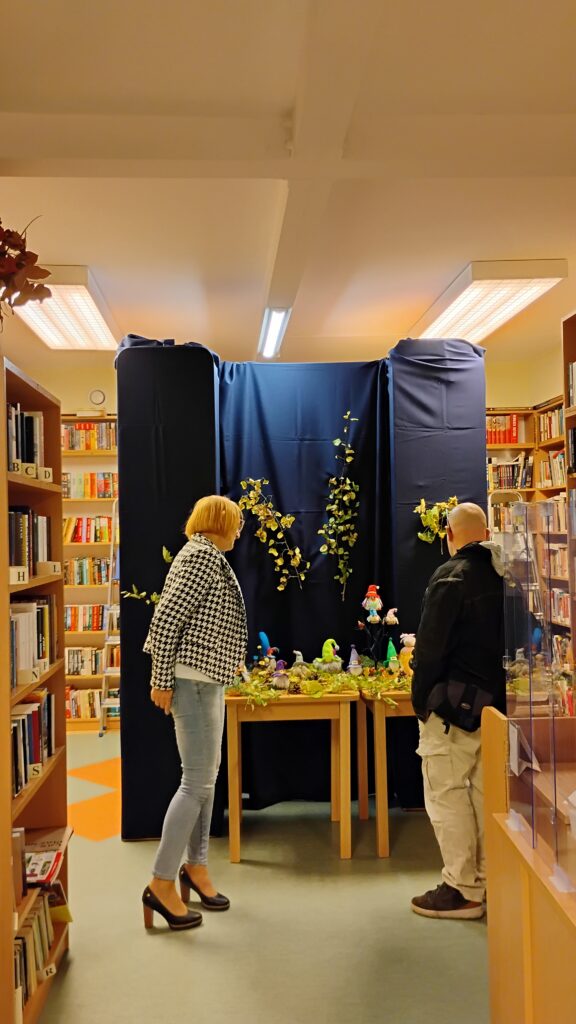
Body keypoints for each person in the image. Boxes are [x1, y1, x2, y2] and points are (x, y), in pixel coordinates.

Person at [141, 495, 247, 931]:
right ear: (220, 522)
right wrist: (161, 679)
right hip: (192, 680)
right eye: (237, 523)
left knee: (205, 780)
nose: (240, 532)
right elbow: (167, 621)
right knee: (196, 782)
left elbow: (210, 620)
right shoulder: (199, 557)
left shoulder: (207, 556)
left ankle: (195, 867)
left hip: (208, 678)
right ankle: (161, 882)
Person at [410, 502, 505, 920]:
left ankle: (461, 889)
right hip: (496, 709)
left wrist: (420, 700)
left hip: (452, 708)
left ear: (449, 533)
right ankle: (487, 881)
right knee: (487, 797)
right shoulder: (505, 573)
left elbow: (430, 649)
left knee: (446, 796)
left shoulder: (450, 576)